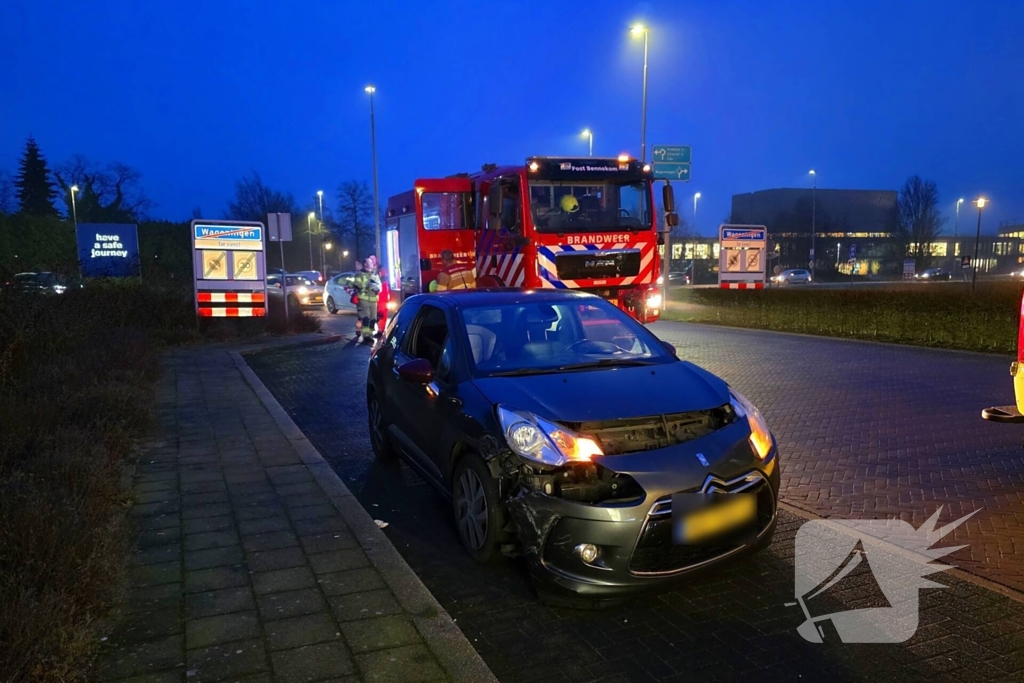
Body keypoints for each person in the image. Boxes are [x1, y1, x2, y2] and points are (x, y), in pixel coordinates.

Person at [351, 257, 381, 344]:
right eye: (370, 262)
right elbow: (357, 284)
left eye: (372, 262)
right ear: (365, 264)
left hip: (373, 300)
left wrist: (377, 287)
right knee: (366, 318)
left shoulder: (375, 275)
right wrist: (368, 284)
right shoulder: (359, 274)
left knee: (373, 319)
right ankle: (366, 336)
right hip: (363, 299)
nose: (372, 263)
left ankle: (370, 335)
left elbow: (379, 286)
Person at [375, 265, 391, 336]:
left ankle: (380, 331)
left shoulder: (382, 279)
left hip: (382, 300)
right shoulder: (383, 278)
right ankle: (380, 330)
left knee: (381, 316)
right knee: (380, 316)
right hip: (381, 300)